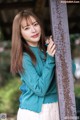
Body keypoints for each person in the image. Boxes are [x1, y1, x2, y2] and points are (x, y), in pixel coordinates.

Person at [10, 9, 59, 120]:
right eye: (26, 28)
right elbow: (40, 90)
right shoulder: (24, 57)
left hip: (56, 106)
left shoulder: (46, 49)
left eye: (35, 24)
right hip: (35, 112)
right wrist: (50, 58)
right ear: (20, 33)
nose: (33, 30)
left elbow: (69, 71)